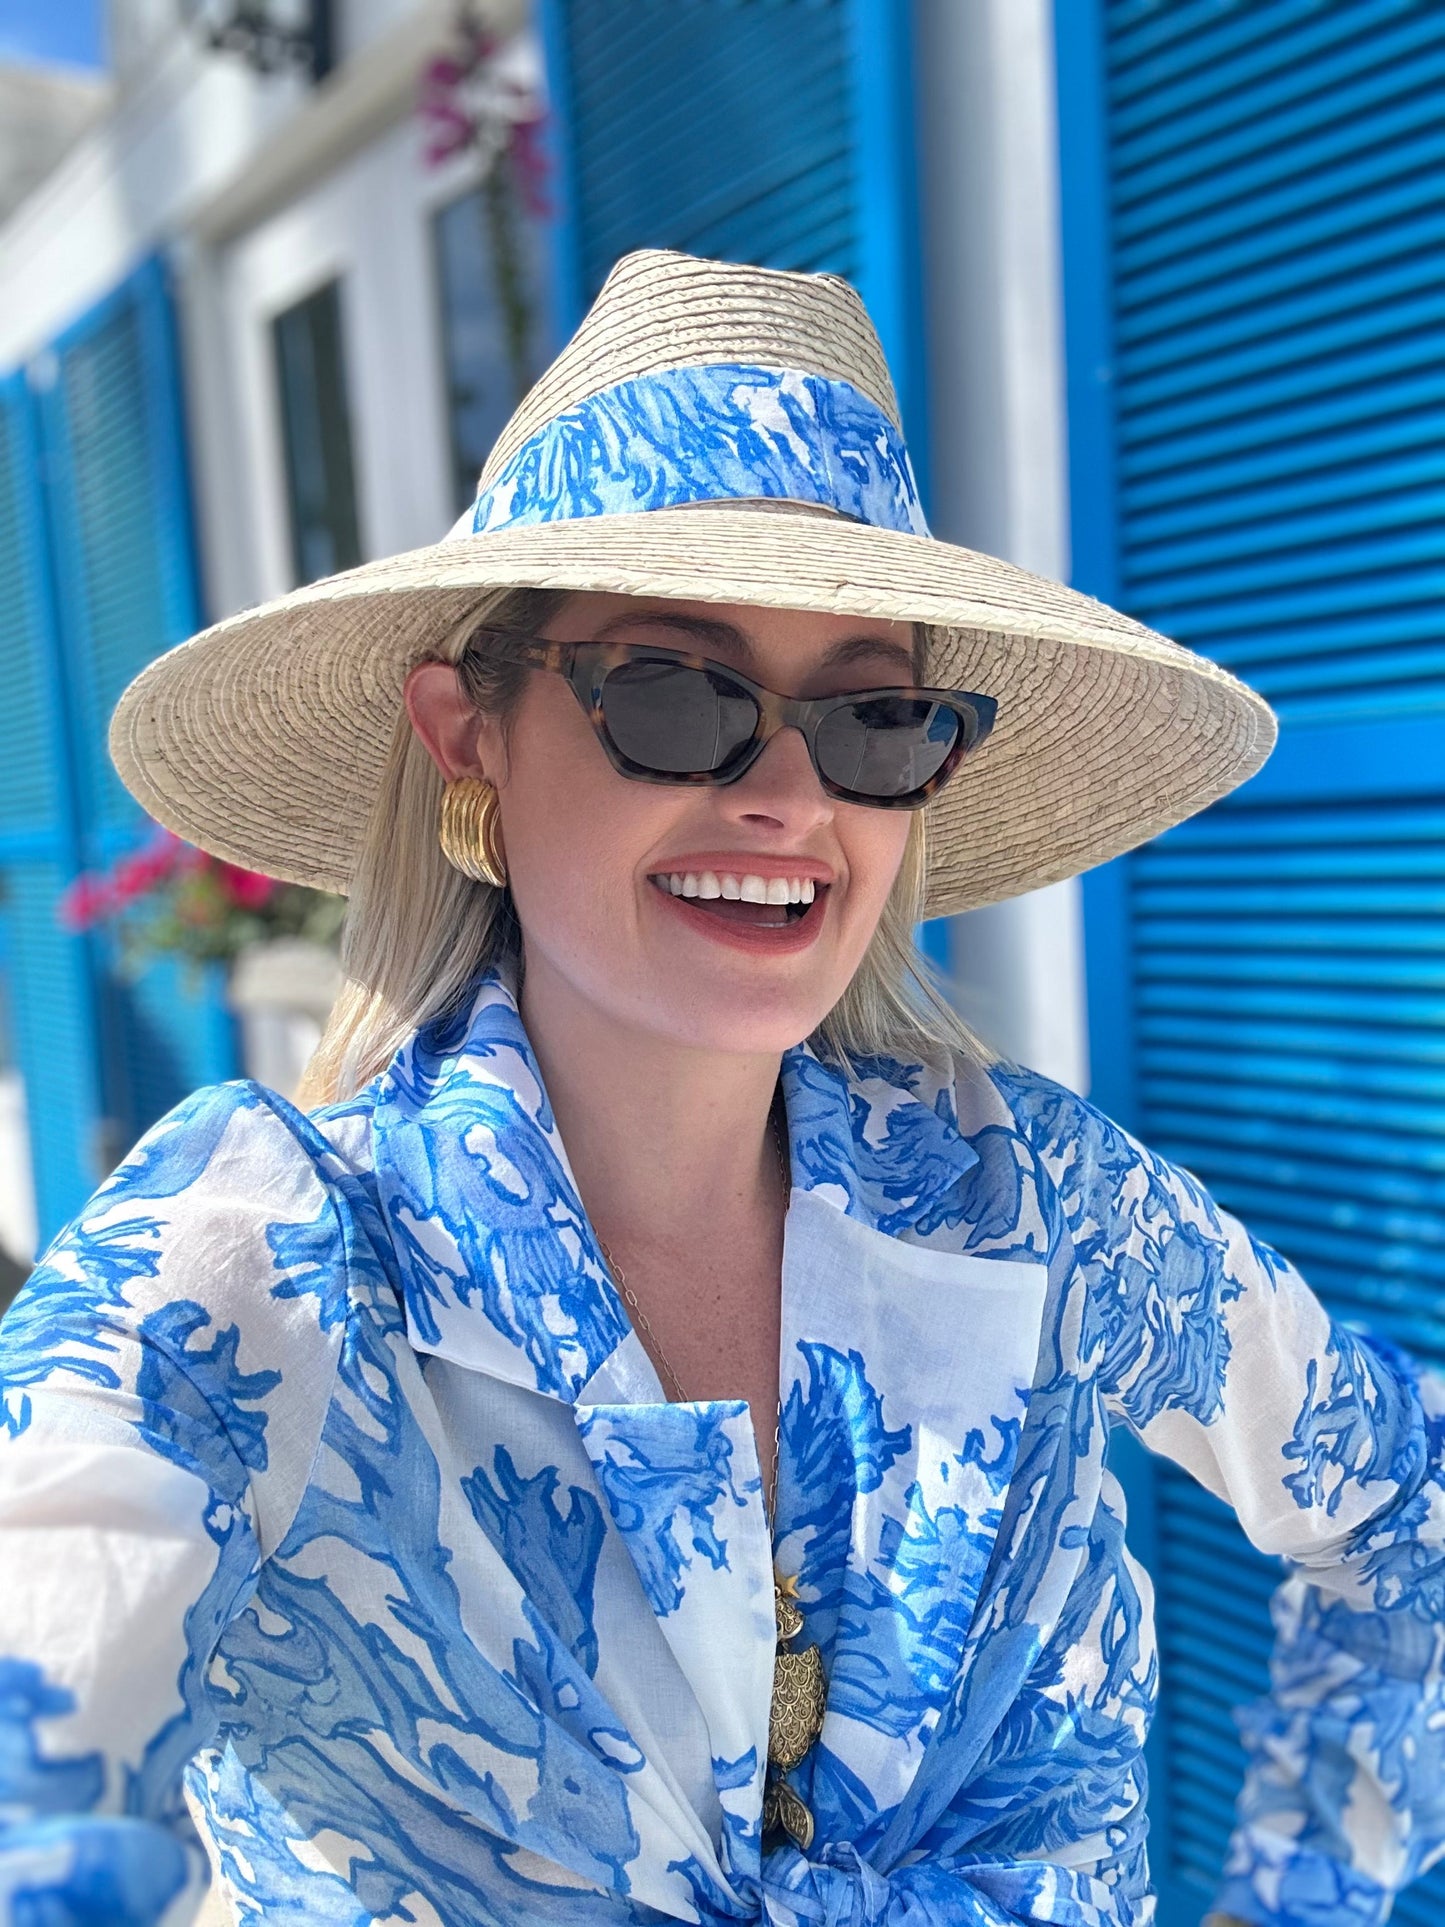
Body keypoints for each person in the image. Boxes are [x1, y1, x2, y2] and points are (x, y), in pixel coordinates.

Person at [1, 249, 1441, 1927]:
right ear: (470, 734)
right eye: (677, 697)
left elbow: (1400, 1503)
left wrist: (1302, 1894)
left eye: (873, 719)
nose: (783, 794)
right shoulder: (268, 1255)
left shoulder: (1036, 1202)